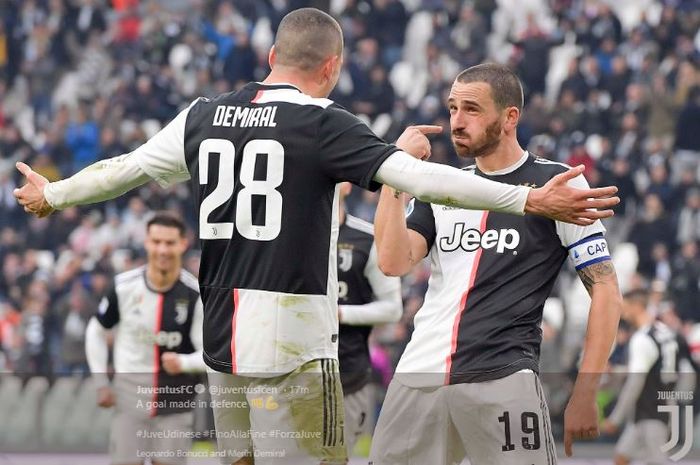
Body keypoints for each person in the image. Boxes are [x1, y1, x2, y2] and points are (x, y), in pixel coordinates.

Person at [14, 8, 619, 465]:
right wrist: (527, 198)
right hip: (294, 342)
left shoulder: (201, 114)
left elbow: (125, 169)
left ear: (273, 52)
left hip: (223, 337)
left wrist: (54, 192)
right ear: (330, 67)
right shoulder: (322, 123)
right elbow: (413, 177)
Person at [370, 63, 622, 464]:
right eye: (452, 108)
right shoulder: (442, 188)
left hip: (503, 379)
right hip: (420, 376)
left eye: (471, 109)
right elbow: (392, 260)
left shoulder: (558, 184)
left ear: (510, 117)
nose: (456, 121)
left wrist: (586, 389)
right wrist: (397, 175)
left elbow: (605, 290)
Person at [85, 213, 206, 465]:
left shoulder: (196, 296)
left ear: (183, 244)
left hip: (176, 400)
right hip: (129, 399)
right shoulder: (123, 287)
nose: (163, 249)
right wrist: (100, 382)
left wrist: (183, 363)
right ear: (146, 242)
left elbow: (209, 355)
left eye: (170, 243)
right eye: (156, 241)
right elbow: (96, 330)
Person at [336, 182, 403, 453]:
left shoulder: (367, 239)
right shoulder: (291, 238)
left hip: (349, 371)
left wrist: (341, 313)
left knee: (337, 457)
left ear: (348, 185)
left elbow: (393, 308)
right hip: (294, 372)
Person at [601, 290, 697, 465]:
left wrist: (616, 418)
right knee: (621, 456)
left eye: (626, 306)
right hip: (658, 405)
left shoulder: (641, 339)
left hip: (651, 411)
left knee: (657, 461)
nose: (623, 311)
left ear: (637, 307)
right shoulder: (665, 331)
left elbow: (636, 381)